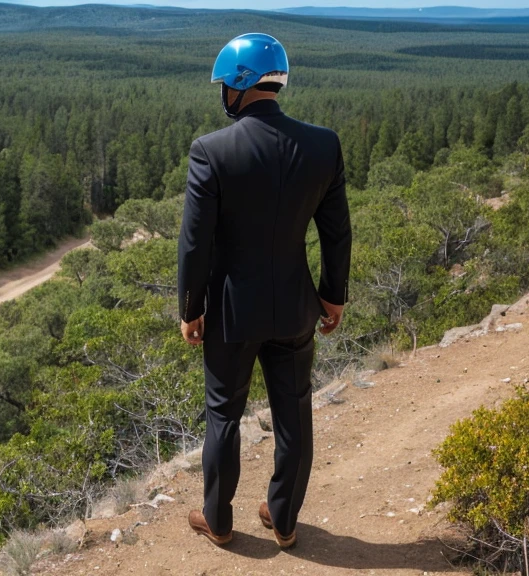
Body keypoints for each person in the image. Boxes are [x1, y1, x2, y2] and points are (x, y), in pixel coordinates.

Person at [177, 33, 352, 551]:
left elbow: (195, 243)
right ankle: (284, 520)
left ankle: (219, 520)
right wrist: (333, 295)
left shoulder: (212, 150)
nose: (221, 94)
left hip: (231, 314)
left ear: (239, 84)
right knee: (294, 413)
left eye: (223, 85)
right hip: (297, 306)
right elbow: (337, 231)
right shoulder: (323, 144)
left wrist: (191, 308)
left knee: (223, 415)